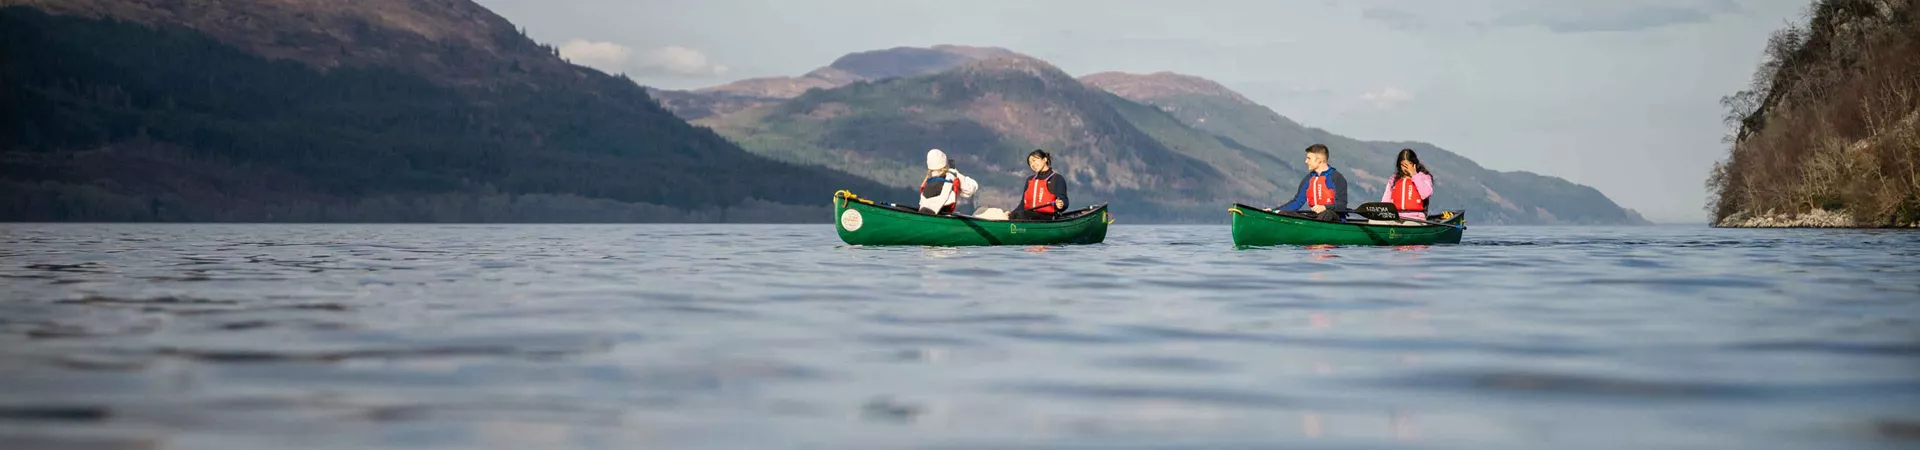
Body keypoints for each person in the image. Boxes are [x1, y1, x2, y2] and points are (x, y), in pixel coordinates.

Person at [1275, 144, 1349, 222]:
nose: (1306, 161)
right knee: (1285, 213)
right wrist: (1275, 211)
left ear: (1319, 160)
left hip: (1333, 217)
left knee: (1327, 214)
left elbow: (1342, 205)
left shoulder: (1336, 178)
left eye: (1309, 158)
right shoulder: (1309, 178)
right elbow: (1297, 202)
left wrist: (1325, 207)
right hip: (1315, 217)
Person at [1010, 149, 1069, 221]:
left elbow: (1065, 201)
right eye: (1030, 163)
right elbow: (1023, 204)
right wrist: (1011, 214)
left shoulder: (1057, 178)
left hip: (1048, 218)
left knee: (1022, 215)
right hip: (1029, 216)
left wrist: (1060, 205)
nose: (1032, 165)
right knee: (1014, 215)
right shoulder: (1030, 180)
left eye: (1034, 160)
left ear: (1045, 159)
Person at [917, 148, 978, 215]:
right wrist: (957, 173)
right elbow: (971, 189)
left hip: (925, 213)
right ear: (945, 162)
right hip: (943, 215)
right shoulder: (952, 174)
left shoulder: (928, 179)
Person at [1380, 148, 1434, 221]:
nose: (1406, 169)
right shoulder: (1394, 179)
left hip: (1416, 218)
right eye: (1403, 165)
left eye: (1409, 165)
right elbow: (1385, 200)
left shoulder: (1424, 177)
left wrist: (1414, 175)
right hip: (1396, 218)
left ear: (1414, 164)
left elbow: (1426, 193)